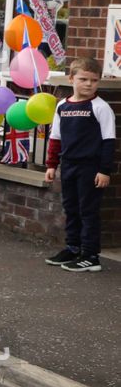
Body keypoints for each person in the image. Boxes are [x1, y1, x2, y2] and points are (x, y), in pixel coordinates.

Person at [44, 57, 114, 273]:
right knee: (71, 208)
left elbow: (108, 141)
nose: (88, 84)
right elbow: (55, 138)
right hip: (69, 166)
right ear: (72, 78)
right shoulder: (62, 106)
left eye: (94, 80)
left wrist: (104, 170)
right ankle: (73, 248)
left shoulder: (101, 108)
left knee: (88, 210)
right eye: (83, 79)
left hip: (90, 168)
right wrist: (51, 165)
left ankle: (90, 255)